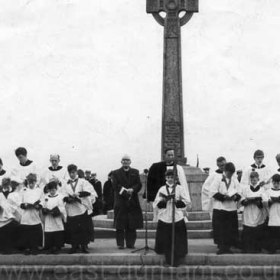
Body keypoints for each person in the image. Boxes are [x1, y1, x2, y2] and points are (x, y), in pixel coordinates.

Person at [154, 169, 191, 266]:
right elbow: (156, 203)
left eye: (172, 177)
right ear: (165, 178)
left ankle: (176, 260)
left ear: (176, 178)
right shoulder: (162, 189)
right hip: (165, 216)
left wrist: (177, 201)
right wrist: (164, 201)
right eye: (168, 177)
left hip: (177, 216)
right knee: (167, 239)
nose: (170, 179)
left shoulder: (179, 188)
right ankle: (168, 260)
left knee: (177, 239)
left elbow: (186, 201)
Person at [62, 164, 97, 254]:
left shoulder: (82, 182)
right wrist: (68, 199)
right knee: (73, 229)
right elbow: (63, 195)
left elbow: (89, 191)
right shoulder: (66, 184)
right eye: (70, 173)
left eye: (73, 172)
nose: (72, 174)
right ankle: (74, 246)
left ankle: (84, 246)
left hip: (81, 208)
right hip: (72, 209)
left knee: (83, 228)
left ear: (76, 172)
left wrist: (78, 194)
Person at [147, 149, 190, 221]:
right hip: (161, 200)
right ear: (164, 155)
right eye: (169, 155)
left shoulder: (178, 168)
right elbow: (150, 183)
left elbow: (183, 183)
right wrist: (150, 198)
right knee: (162, 219)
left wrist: (185, 199)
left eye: (172, 155)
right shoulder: (155, 167)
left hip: (175, 201)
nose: (170, 157)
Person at [112, 155, 143, 249]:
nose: (125, 162)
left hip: (132, 201)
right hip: (121, 201)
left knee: (132, 224)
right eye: (124, 160)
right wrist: (126, 192)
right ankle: (120, 244)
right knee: (120, 224)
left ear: (130, 162)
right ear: (121, 161)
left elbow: (139, 184)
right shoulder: (115, 173)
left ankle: (130, 243)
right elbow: (115, 186)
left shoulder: (135, 172)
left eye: (127, 160)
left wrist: (132, 190)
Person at [209, 162, 241, 254]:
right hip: (220, 208)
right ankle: (221, 247)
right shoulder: (218, 179)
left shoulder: (234, 180)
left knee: (230, 229)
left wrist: (235, 197)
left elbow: (239, 191)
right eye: (229, 173)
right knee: (221, 229)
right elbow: (212, 192)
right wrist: (223, 197)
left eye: (232, 173)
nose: (230, 175)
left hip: (231, 208)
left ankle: (228, 247)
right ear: (225, 171)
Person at [240, 171, 267, 253]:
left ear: (258, 179)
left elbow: (264, 200)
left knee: (257, 230)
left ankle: (257, 248)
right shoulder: (246, 189)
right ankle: (247, 248)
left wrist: (258, 201)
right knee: (248, 230)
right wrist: (246, 201)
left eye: (255, 180)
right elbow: (242, 199)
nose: (253, 181)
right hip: (248, 211)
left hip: (257, 211)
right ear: (250, 180)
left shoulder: (262, 189)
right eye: (252, 180)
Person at [19, 173, 44, 255]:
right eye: (29, 182)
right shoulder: (23, 190)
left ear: (35, 182)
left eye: (33, 182)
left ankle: (35, 247)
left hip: (35, 214)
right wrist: (24, 205)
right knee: (26, 231)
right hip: (26, 215)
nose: (31, 184)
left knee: (35, 231)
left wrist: (38, 205)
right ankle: (27, 248)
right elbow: (19, 202)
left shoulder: (39, 190)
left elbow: (42, 200)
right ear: (27, 182)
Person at [42, 181, 66, 254]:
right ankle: (50, 247)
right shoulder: (46, 197)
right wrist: (45, 210)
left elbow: (62, 207)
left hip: (56, 217)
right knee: (49, 231)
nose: (52, 192)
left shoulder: (60, 197)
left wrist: (56, 211)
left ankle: (57, 247)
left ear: (56, 189)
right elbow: (43, 205)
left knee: (57, 231)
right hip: (48, 218)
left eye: (53, 190)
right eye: (50, 190)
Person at [0, 178, 20, 254]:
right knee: (2, 233)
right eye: (4, 185)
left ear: (9, 184)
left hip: (11, 216)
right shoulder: (0, 194)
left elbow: (16, 204)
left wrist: (12, 210)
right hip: (1, 217)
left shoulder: (13, 194)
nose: (5, 186)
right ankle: (3, 249)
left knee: (10, 232)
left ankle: (10, 248)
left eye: (7, 184)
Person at [266, 174, 280, 254]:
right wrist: (270, 201)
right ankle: (272, 249)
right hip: (272, 213)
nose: (276, 185)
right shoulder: (268, 191)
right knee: (273, 233)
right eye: (274, 183)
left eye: (278, 183)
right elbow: (265, 201)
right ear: (272, 182)